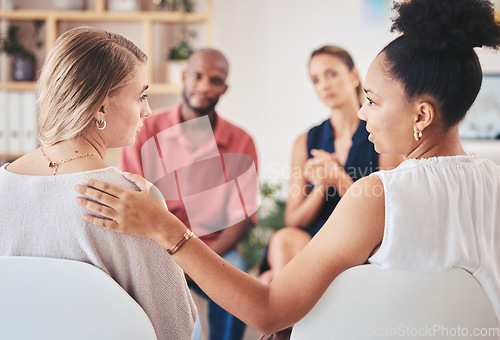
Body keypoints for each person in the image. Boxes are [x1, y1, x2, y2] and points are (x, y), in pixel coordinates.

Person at [75, 0, 500, 336]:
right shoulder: (494, 181)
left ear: (421, 115)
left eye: (372, 100)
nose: (365, 113)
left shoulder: (380, 196)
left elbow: (269, 311)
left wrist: (164, 228)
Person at [0, 27, 198, 340]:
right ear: (101, 107)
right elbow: (179, 329)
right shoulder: (131, 201)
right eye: (141, 96)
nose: (147, 110)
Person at [119, 48, 258, 340]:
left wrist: (200, 260)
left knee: (237, 282)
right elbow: (135, 198)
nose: (205, 86)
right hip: (159, 244)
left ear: (225, 87)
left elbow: (240, 217)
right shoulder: (145, 130)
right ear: (184, 77)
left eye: (215, 80)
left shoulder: (241, 141)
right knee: (179, 321)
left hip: (217, 247)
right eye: (197, 76)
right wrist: (175, 252)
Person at [258, 45, 403, 285]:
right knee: (284, 239)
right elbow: (294, 219)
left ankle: (279, 302)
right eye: (315, 80)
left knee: (269, 280)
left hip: (361, 238)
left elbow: (388, 212)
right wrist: (321, 186)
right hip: (315, 237)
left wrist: (338, 178)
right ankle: (287, 310)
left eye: (331, 74)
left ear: (354, 76)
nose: (324, 85)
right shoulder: (305, 141)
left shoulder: (382, 133)